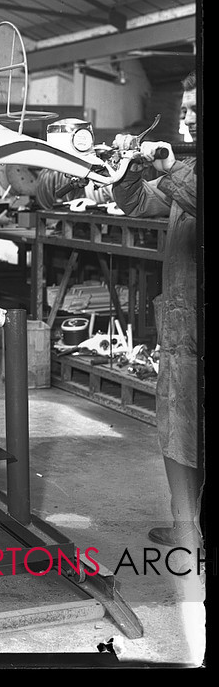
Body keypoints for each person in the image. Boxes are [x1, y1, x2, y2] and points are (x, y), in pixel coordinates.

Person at [112, 70, 201, 551]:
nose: (184, 117)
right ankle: (186, 529)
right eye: (183, 108)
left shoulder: (185, 172)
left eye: (192, 109)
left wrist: (167, 167)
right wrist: (124, 170)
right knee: (176, 423)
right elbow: (136, 203)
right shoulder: (185, 169)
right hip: (185, 325)